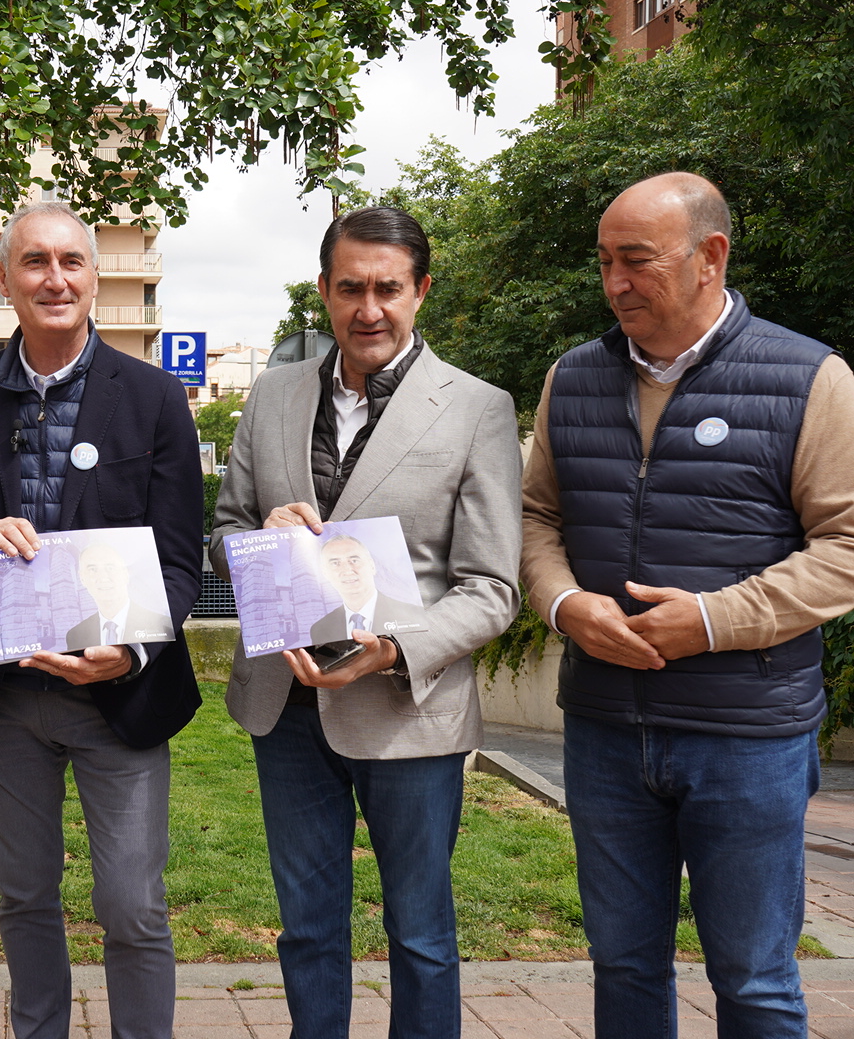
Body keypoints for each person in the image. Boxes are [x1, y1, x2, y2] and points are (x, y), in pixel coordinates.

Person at [521, 172, 854, 1037]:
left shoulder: (810, 376)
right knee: (622, 970)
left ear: (710, 258)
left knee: (756, 981)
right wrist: (563, 603)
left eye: (636, 261)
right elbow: (538, 516)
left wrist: (717, 618)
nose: (614, 283)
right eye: (605, 262)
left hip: (748, 737)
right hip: (607, 728)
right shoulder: (571, 378)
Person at [211, 206, 522, 1038]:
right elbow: (225, 532)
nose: (369, 308)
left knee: (420, 937)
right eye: (350, 288)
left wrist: (393, 648)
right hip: (287, 706)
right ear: (324, 291)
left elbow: (493, 587)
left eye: (389, 288)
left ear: (421, 291)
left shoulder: (478, 409)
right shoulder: (273, 394)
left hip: (408, 713)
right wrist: (255, 543)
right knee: (307, 929)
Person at [0, 202, 202, 1039]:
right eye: (34, 262)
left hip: (120, 695)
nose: (55, 278)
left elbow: (182, 561)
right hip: (2, 697)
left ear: (95, 276)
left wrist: (133, 653)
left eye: (72, 261)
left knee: (133, 904)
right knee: (25, 895)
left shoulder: (152, 397)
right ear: (3, 280)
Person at [306, 533, 428, 645]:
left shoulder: (411, 616)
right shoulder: (319, 629)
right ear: (325, 574)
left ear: (372, 566)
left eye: (354, 560)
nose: (347, 570)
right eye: (335, 563)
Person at [63, 542, 174, 650]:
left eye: (110, 568)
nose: (103, 577)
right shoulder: (75, 635)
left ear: (126, 574)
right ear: (82, 578)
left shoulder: (161, 625)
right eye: (93, 569)